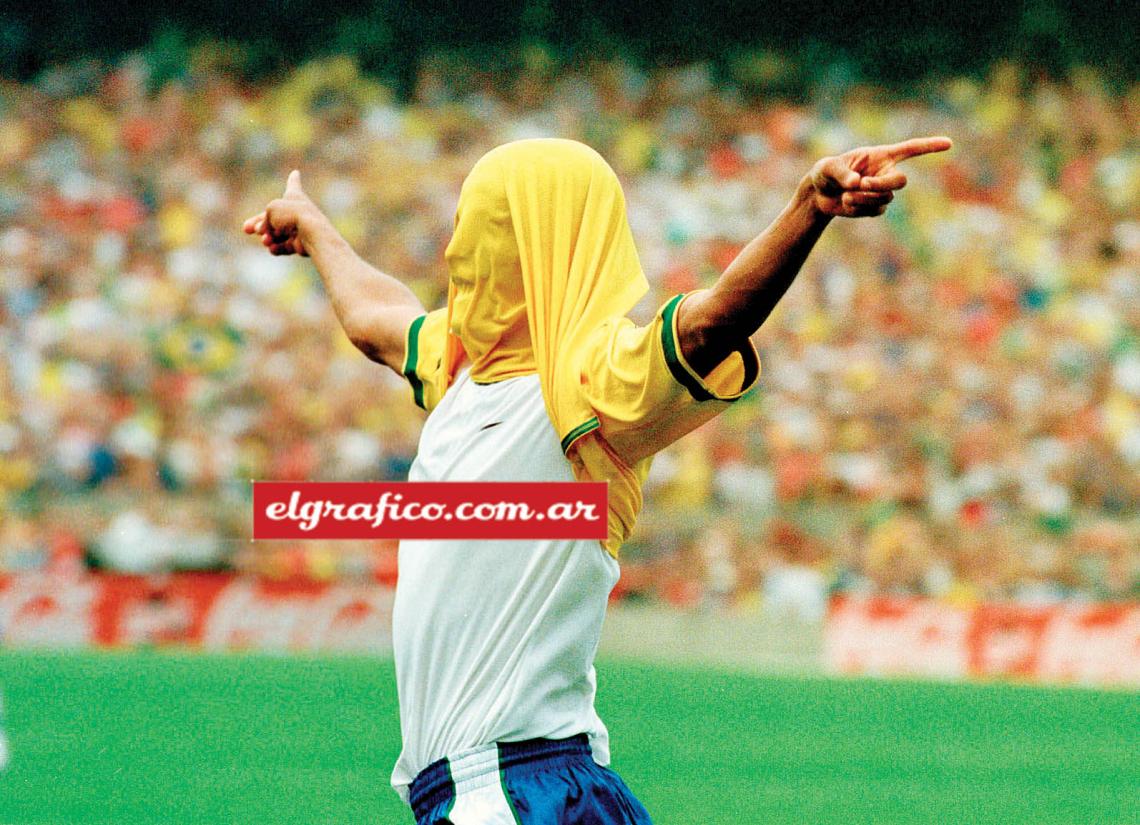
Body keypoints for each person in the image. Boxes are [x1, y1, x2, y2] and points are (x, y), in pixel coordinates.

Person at [244, 135, 951, 824]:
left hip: (513, 791)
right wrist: (315, 230)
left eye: (475, 223)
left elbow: (706, 327)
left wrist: (808, 209)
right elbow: (374, 318)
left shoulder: (584, 386)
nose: (455, 248)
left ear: (525, 243)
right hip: (507, 788)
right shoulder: (457, 369)